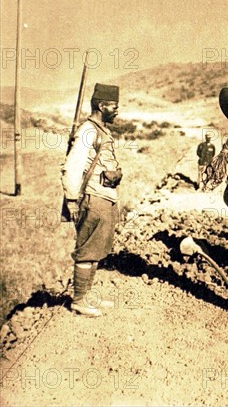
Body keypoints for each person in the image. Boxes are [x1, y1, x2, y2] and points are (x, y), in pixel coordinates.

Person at [62, 83, 122, 317]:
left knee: (96, 248)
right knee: (87, 249)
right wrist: (71, 199)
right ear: (101, 105)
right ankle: (79, 300)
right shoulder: (88, 131)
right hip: (92, 198)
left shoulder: (101, 130)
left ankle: (86, 296)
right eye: (114, 106)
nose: (117, 111)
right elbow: (73, 166)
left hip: (103, 197)